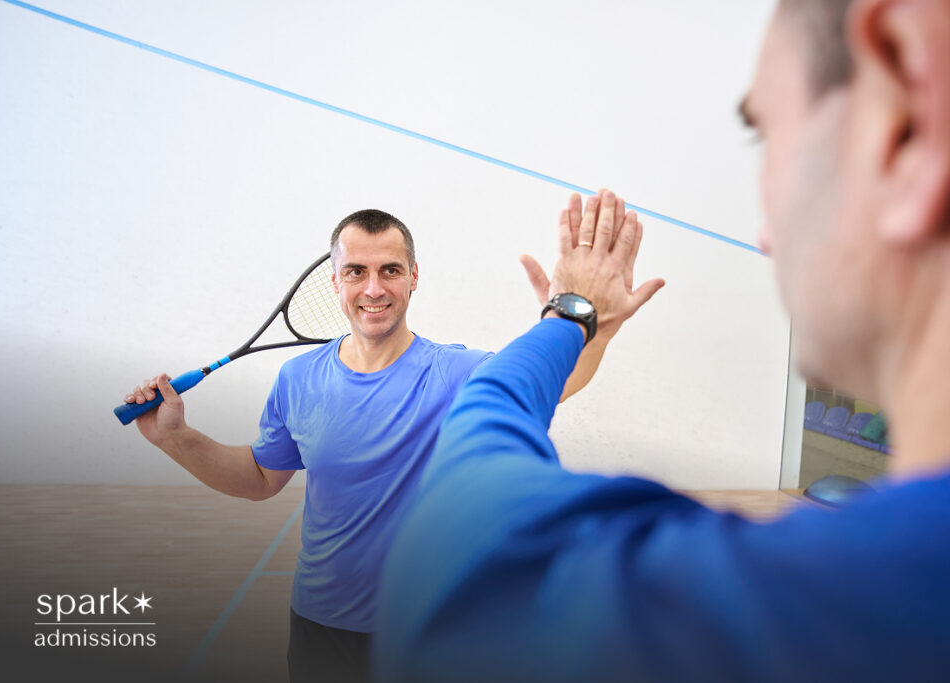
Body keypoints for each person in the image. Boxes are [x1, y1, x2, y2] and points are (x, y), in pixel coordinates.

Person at [374, 0, 950, 681]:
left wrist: (569, 313)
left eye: (764, 134)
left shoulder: (818, 611)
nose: (766, 235)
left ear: (912, 115)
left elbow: (459, 536)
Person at [122, 208, 615, 682]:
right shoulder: (298, 379)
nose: (374, 288)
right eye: (356, 271)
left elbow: (561, 376)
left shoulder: (460, 374)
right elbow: (258, 479)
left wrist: (590, 320)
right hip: (323, 629)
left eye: (390, 270)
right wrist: (174, 437)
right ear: (335, 281)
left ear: (414, 277)